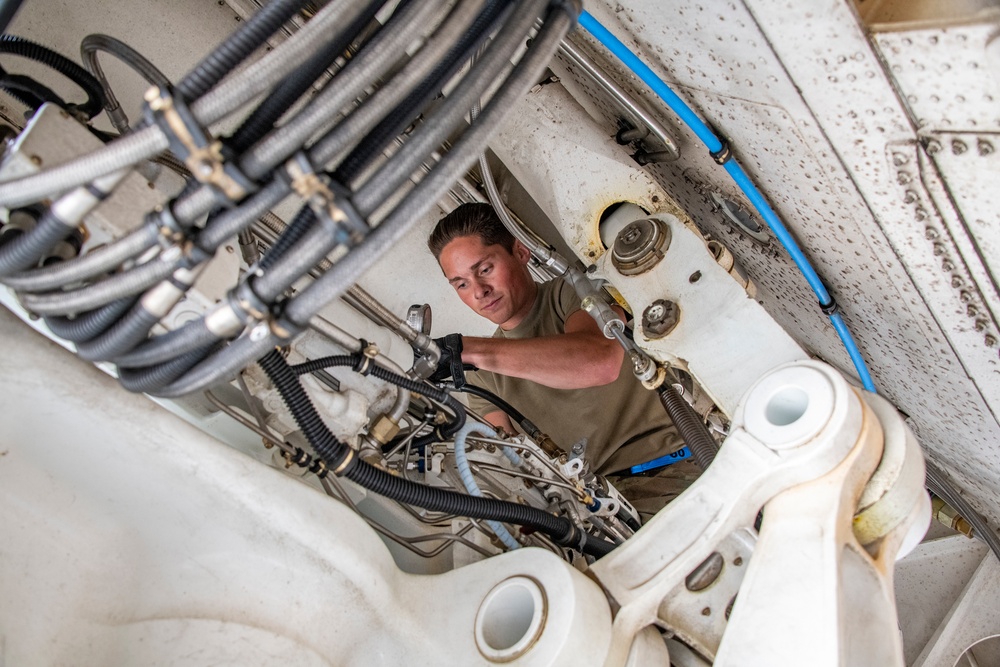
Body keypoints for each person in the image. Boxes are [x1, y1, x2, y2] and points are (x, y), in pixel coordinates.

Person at [427, 202, 699, 519]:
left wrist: (469, 351)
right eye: (461, 284)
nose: (479, 292)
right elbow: (513, 465)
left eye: (484, 270)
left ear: (520, 251)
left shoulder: (573, 292)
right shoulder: (480, 376)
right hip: (602, 511)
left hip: (672, 468)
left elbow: (600, 361)